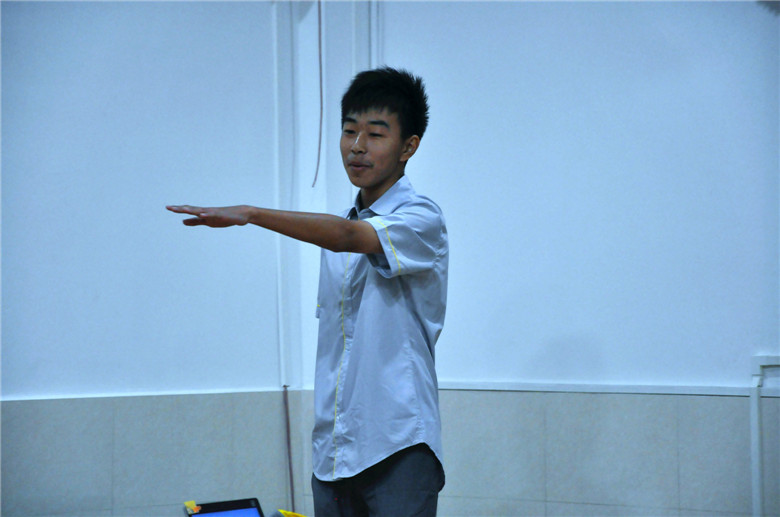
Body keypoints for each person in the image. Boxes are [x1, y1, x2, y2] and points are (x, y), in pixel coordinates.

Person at [167, 67, 448, 517]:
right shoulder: (340, 227)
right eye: (349, 131)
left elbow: (348, 237)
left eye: (376, 134)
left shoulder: (421, 218)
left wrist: (252, 213)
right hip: (334, 451)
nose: (357, 146)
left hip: (398, 445)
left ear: (408, 147)